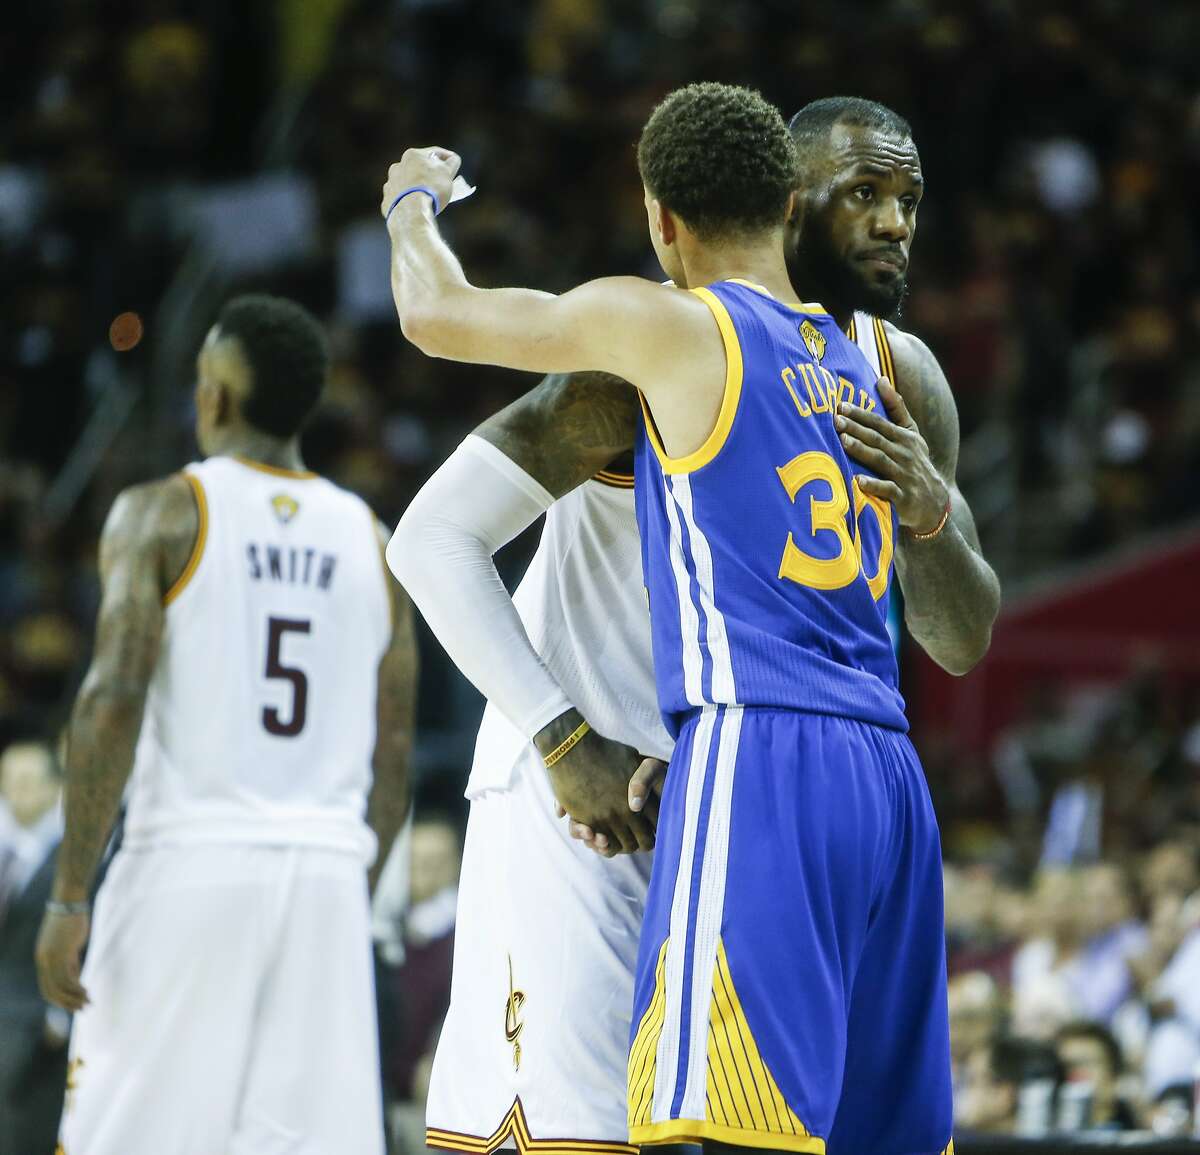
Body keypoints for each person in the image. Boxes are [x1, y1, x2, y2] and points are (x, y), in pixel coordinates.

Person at [385, 83, 998, 1155]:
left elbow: (957, 635)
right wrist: (559, 733)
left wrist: (930, 515)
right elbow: (433, 538)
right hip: (590, 788)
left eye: (910, 197)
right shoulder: (635, 364)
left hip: (747, 772)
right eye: (865, 193)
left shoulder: (900, 378)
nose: (897, 222)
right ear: (785, 201)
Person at [34, 294, 417, 1155]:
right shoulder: (373, 540)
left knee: (120, 1135)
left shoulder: (163, 511)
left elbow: (109, 700)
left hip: (190, 861)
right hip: (326, 870)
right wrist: (347, 889)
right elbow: (393, 748)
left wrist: (68, 892)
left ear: (211, 397)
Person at [0, 742, 67, 1155]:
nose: (16, 792)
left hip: (33, 1024)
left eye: (27, 781)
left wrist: (59, 1015)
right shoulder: (8, 851)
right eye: (8, 781)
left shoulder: (73, 858)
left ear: (54, 787)